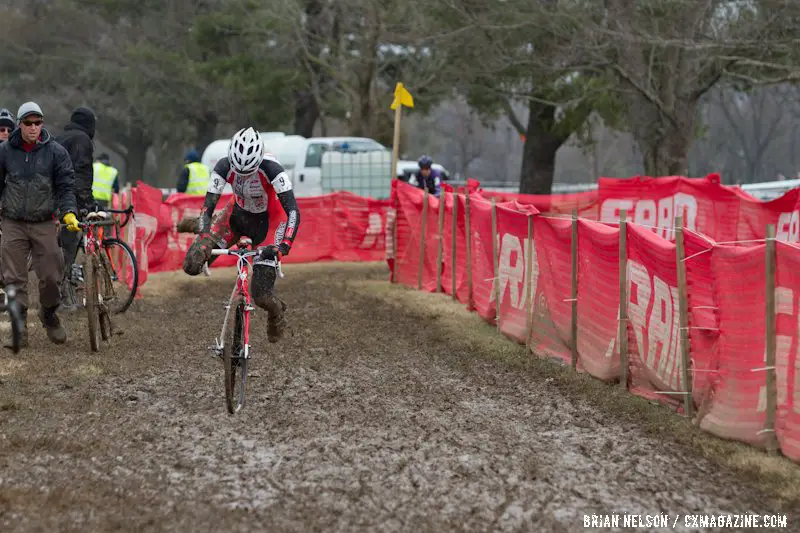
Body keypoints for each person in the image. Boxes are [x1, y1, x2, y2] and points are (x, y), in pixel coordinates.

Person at [181, 127, 300, 343]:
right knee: (192, 263)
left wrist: (284, 246)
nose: (245, 176)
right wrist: (206, 235)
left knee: (262, 295)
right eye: (240, 172)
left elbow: (292, 210)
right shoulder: (223, 166)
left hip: (269, 223)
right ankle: (195, 226)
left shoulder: (273, 169)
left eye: (250, 171)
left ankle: (277, 312)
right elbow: (208, 207)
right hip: (236, 216)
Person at [0, 101, 80, 348]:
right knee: (13, 278)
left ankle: (48, 314)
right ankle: (20, 323)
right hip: (13, 222)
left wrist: (68, 212)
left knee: (52, 276)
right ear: (20, 125)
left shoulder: (56, 152)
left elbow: (66, 186)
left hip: (44, 222)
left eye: (37, 122)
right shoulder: (5, 152)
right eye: (28, 123)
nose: (33, 127)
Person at [54, 107, 97, 310]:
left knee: (60, 247)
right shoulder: (83, 140)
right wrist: (86, 203)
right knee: (68, 249)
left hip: (51, 199)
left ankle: (63, 293)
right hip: (70, 201)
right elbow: (81, 174)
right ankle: (62, 297)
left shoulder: (61, 138)